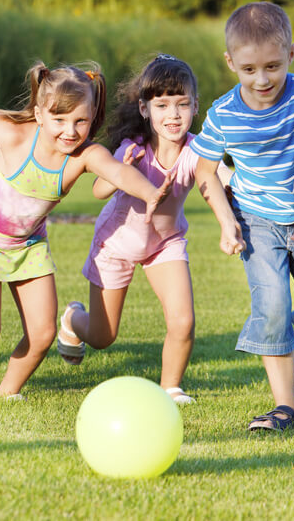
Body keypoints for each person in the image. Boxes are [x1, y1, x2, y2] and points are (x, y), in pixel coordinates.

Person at [0, 36, 171, 399]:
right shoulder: (13, 136)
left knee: (42, 334)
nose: (70, 131)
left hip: (27, 245)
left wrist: (150, 192)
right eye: (59, 119)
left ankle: (6, 394)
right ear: (40, 114)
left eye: (81, 121)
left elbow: (117, 172)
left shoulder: (84, 156)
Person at [191, 2, 294, 431]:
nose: (261, 79)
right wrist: (227, 221)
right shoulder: (224, 113)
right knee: (271, 307)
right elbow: (204, 170)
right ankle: (285, 406)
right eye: (248, 69)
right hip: (257, 222)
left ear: (290, 54)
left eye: (272, 65)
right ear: (231, 62)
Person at [56, 54, 232, 404]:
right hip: (116, 244)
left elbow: (219, 179)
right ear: (144, 108)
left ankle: (171, 387)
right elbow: (98, 190)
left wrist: (239, 199)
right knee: (103, 336)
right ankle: (73, 319)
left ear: (196, 106)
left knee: (182, 321)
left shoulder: (197, 150)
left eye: (182, 104)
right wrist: (119, 168)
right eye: (162, 105)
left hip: (164, 244)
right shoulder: (132, 148)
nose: (174, 114)